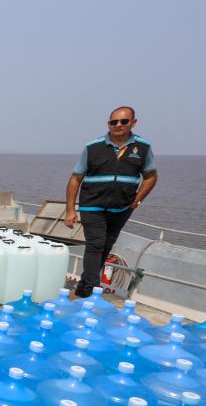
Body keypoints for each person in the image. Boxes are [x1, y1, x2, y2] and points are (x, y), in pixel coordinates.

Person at [64, 106, 157, 298]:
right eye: (114, 122)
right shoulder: (93, 147)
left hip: (122, 207)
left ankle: (83, 287)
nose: (118, 125)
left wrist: (137, 201)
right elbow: (75, 179)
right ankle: (92, 292)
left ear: (133, 122)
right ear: (109, 124)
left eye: (123, 121)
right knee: (95, 245)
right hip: (92, 204)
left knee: (106, 246)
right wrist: (70, 210)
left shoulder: (142, 147)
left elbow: (150, 177)